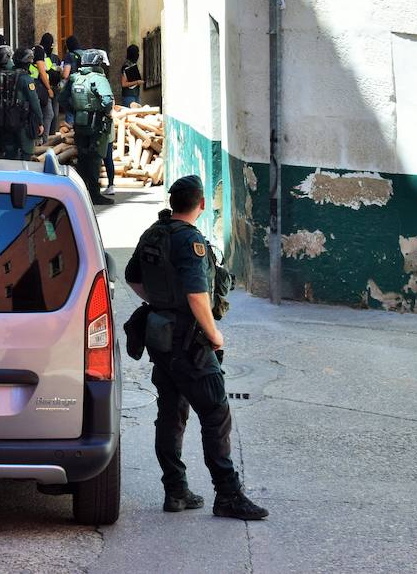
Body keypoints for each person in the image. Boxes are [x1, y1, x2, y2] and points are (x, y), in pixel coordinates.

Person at [124, 175, 269, 521]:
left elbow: (132, 277)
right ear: (201, 204)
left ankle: (175, 490)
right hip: (190, 343)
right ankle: (228, 495)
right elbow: (196, 295)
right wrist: (214, 334)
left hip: (160, 340)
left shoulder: (153, 233)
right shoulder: (191, 241)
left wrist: (160, 303)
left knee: (170, 414)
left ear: (174, 202)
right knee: (215, 414)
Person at [65, 48, 115, 205]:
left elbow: (62, 98)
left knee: (82, 157)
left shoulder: (74, 77)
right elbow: (107, 102)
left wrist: (76, 110)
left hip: (79, 123)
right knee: (94, 158)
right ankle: (94, 194)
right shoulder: (99, 79)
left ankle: (80, 192)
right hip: (96, 124)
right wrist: (104, 113)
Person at [30, 43, 54, 143]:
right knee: (48, 114)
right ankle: (43, 140)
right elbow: (42, 72)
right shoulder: (39, 51)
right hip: (40, 89)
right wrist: (49, 89)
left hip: (36, 88)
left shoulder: (33, 50)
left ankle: (40, 139)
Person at [58, 35, 82, 126]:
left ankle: (70, 133)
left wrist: (60, 71)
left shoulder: (70, 55)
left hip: (72, 88)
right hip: (84, 88)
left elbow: (65, 74)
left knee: (70, 112)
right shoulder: (84, 54)